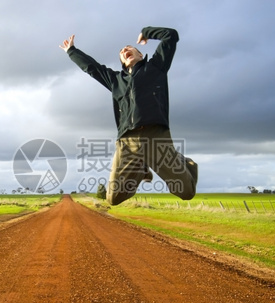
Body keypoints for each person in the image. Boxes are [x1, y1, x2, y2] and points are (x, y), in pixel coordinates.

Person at [60, 26, 198, 205]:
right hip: (127, 142)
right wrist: (72, 51)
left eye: (129, 48)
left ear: (140, 55)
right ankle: (141, 171)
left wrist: (147, 32)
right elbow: (91, 68)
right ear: (123, 62)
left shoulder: (156, 67)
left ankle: (185, 162)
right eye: (122, 52)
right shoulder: (116, 80)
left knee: (186, 192)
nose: (125, 51)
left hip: (156, 136)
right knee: (113, 198)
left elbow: (171, 36)